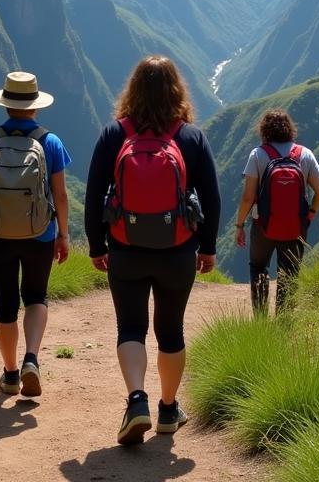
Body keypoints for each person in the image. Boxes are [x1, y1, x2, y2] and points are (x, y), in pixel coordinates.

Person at [85, 55, 221, 446]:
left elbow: (94, 195)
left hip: (125, 249)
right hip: (178, 251)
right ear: (177, 90)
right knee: (171, 330)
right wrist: (207, 248)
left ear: (133, 89)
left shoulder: (115, 134)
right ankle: (167, 409)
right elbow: (211, 198)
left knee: (130, 327)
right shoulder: (190, 137)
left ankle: (136, 399)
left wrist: (97, 244)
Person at [0, 71, 71, 399]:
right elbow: (61, 195)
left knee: (5, 303)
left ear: (5, 104)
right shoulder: (50, 141)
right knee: (36, 296)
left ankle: (10, 374)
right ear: (35, 106)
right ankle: (31, 359)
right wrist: (63, 235)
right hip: (40, 233)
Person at [233, 109, 319, 314]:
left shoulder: (258, 154)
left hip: (262, 225)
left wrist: (239, 225)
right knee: (289, 273)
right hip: (296, 226)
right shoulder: (305, 154)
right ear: (290, 130)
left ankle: (260, 320)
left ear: (264, 130)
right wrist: (310, 214)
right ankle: (284, 323)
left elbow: (248, 197)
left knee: (258, 267)